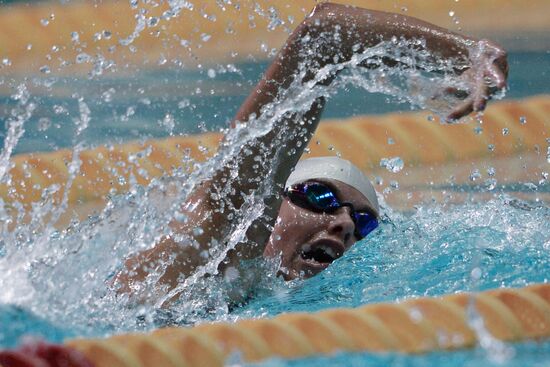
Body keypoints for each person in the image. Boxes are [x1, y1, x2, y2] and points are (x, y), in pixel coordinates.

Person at [114, 3, 508, 300]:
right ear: (273, 202)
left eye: (364, 222)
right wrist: (467, 55)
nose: (345, 224)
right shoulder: (205, 252)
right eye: (319, 196)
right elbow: (322, 35)